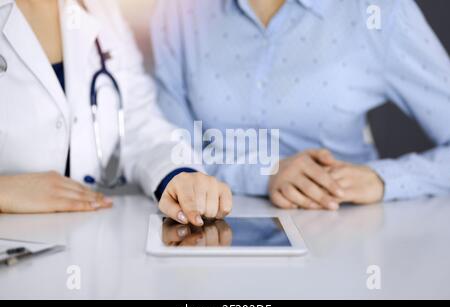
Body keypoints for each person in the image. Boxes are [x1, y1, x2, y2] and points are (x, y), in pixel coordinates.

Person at [150, 0, 450, 210]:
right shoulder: (179, 10)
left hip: (344, 226)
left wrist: (384, 179)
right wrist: (265, 174)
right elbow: (171, 150)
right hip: (209, 228)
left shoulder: (379, 13)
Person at [0, 0, 232, 226]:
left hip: (83, 239)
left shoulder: (101, 10)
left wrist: (177, 175)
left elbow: (139, 125)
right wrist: (5, 191)